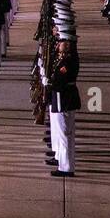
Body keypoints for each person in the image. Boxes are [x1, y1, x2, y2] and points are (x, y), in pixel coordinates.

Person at [46, 35, 80, 176]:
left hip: (64, 100)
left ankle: (66, 167)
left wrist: (49, 82)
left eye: (61, 42)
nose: (58, 44)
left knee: (64, 134)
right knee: (63, 134)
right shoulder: (64, 58)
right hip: (62, 98)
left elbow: (61, 80)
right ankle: (63, 162)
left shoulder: (68, 61)